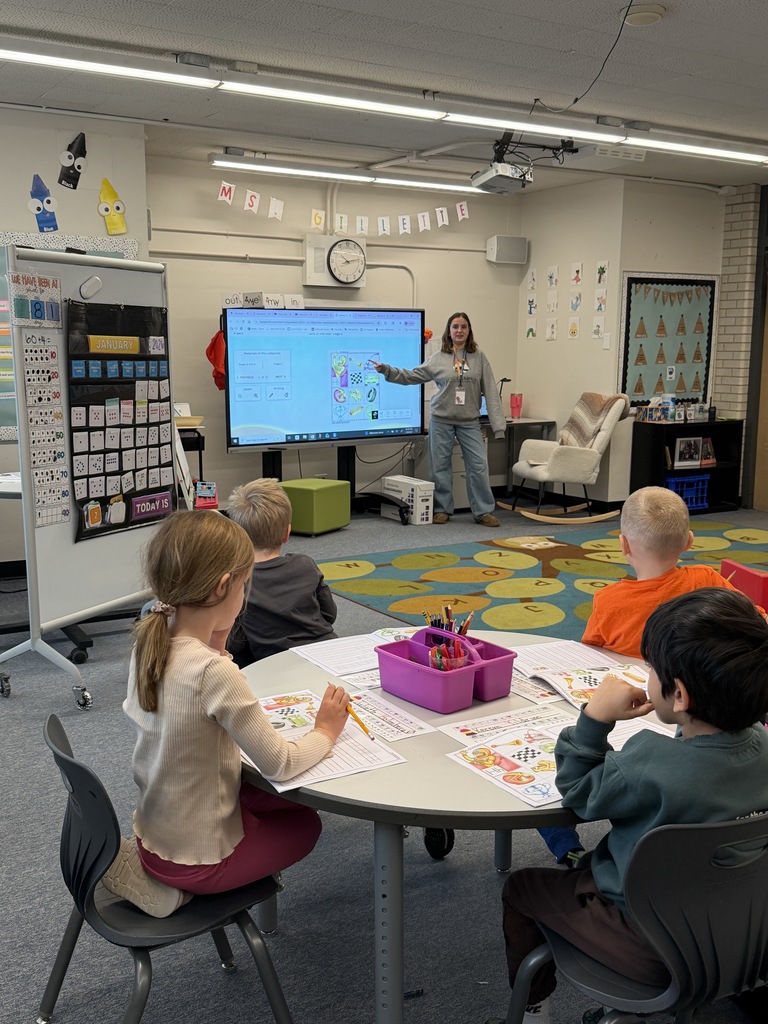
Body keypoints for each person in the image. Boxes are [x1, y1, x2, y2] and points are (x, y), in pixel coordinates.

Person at [489, 588, 768, 1024]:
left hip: (649, 950)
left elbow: (576, 793)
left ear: (679, 697)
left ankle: (533, 1012)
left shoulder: (646, 763)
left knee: (522, 889)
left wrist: (595, 717)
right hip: (747, 939)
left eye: (652, 667)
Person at [103, 509, 350, 917]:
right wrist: (324, 730)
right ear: (223, 587)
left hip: (156, 830)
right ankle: (175, 890)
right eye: (244, 586)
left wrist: (216, 639)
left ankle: (153, 869)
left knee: (265, 797)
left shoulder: (153, 636)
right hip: (199, 861)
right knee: (306, 824)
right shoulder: (212, 671)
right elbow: (280, 763)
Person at [582, 485, 764, 658]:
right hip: (699, 681)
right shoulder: (707, 579)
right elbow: (756, 618)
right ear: (689, 541)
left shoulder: (608, 600)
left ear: (624, 545)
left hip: (639, 684)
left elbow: (591, 652)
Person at [372, 311, 506, 527]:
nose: (459, 330)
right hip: (441, 419)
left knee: (479, 465)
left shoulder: (479, 356)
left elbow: (490, 389)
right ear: (449, 331)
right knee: (439, 466)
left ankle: (483, 511)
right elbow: (412, 375)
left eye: (463, 326)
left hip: (469, 421)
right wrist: (387, 370)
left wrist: (498, 426)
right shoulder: (438, 358)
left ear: (469, 330)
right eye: (455, 327)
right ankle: (442, 509)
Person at [224, 477, 338, 668]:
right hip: (329, 653)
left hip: (275, 666)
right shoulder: (305, 565)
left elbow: (235, 642)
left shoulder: (239, 580)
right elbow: (329, 614)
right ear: (287, 533)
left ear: (237, 537)